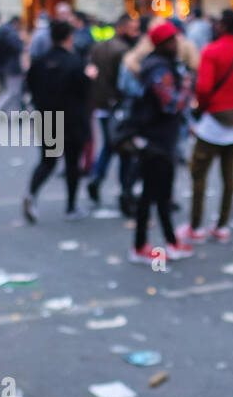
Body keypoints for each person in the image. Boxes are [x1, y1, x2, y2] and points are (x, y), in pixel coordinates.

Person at [181, 11, 233, 243]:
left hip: (213, 122)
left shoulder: (211, 52)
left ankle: (196, 226)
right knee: (230, 177)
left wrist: (207, 107)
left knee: (199, 173)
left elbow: (204, 89)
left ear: (222, 26)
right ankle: (222, 225)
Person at [130, 21, 194, 262]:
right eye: (173, 40)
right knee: (157, 193)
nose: (177, 44)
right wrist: (187, 86)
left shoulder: (156, 65)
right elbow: (171, 104)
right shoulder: (160, 69)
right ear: (163, 43)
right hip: (157, 139)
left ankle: (157, 242)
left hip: (154, 137)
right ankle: (156, 244)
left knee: (154, 192)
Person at [22, 20, 90, 223]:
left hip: (48, 117)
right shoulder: (75, 62)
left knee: (47, 160)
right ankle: (71, 206)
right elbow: (83, 91)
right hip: (71, 120)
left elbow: (31, 87)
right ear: (69, 37)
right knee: (72, 164)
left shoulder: (40, 61)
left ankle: (31, 193)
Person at [86, 14, 140, 212]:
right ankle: (124, 191)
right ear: (123, 27)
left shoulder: (99, 46)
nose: (135, 32)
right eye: (132, 28)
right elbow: (125, 83)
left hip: (102, 104)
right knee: (123, 148)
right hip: (117, 106)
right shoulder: (123, 51)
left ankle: (98, 177)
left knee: (109, 145)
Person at [0, 15, 26, 111]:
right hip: (12, 67)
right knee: (12, 92)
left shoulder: (3, 31)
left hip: (4, 66)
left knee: (14, 92)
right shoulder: (11, 33)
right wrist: (21, 39)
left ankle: (14, 113)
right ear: (16, 22)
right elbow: (18, 47)